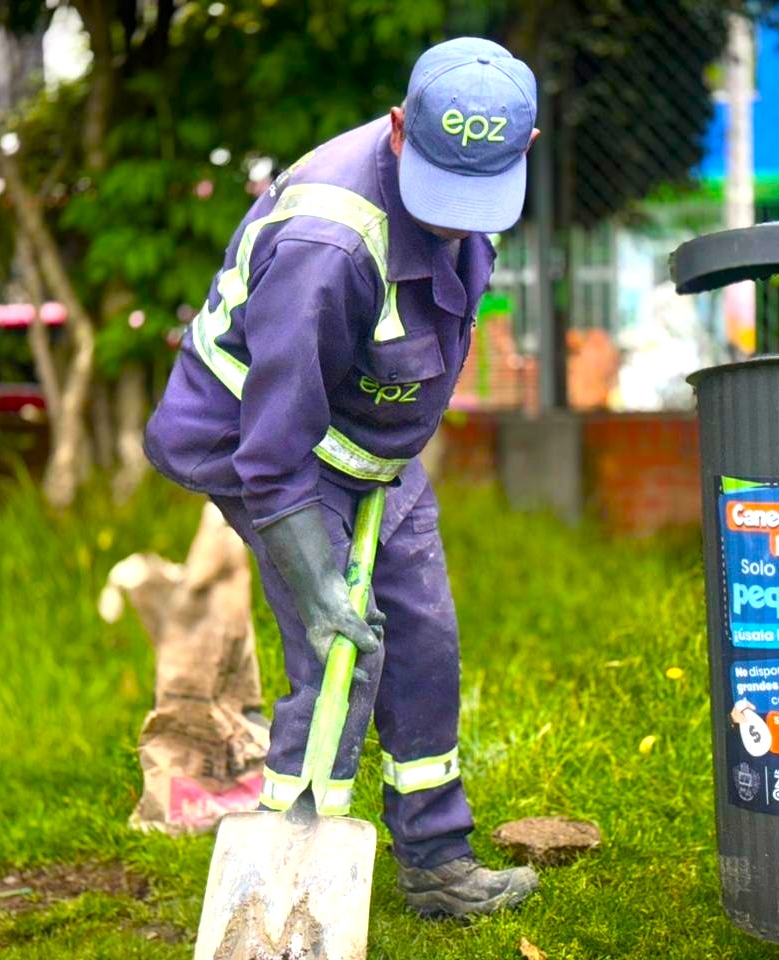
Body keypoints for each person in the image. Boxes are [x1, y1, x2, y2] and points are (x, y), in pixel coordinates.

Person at [143, 36, 540, 917]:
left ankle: (436, 861)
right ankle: (288, 873)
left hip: (368, 444)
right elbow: (273, 443)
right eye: (441, 190)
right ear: (400, 130)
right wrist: (319, 582)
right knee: (339, 649)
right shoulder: (329, 244)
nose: (453, 218)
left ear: (526, 148)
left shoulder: (475, 189)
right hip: (263, 438)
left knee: (422, 633)